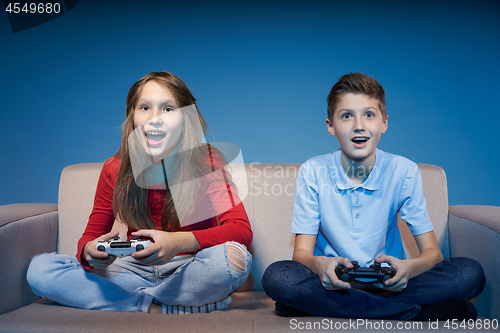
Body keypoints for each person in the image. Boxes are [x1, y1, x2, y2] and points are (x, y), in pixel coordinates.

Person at [261, 72, 485, 321]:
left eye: (369, 114)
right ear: (330, 126)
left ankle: (322, 307)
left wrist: (409, 268)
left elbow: (433, 253)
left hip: (390, 281)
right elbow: (301, 254)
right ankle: (409, 312)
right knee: (278, 277)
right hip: (336, 282)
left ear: (384, 123)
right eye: (346, 116)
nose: (359, 125)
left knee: (469, 272)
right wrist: (320, 265)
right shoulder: (313, 171)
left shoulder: (404, 171)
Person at [27, 72, 253, 314]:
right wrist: (90, 251)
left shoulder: (206, 161)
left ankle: (131, 301)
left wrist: (178, 243)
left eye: (168, 109)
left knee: (234, 259)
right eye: (145, 107)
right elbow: (91, 236)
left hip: (188, 267)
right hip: (132, 270)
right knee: (40, 270)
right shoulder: (114, 168)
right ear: (132, 116)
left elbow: (241, 230)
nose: (154, 118)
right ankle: (165, 304)